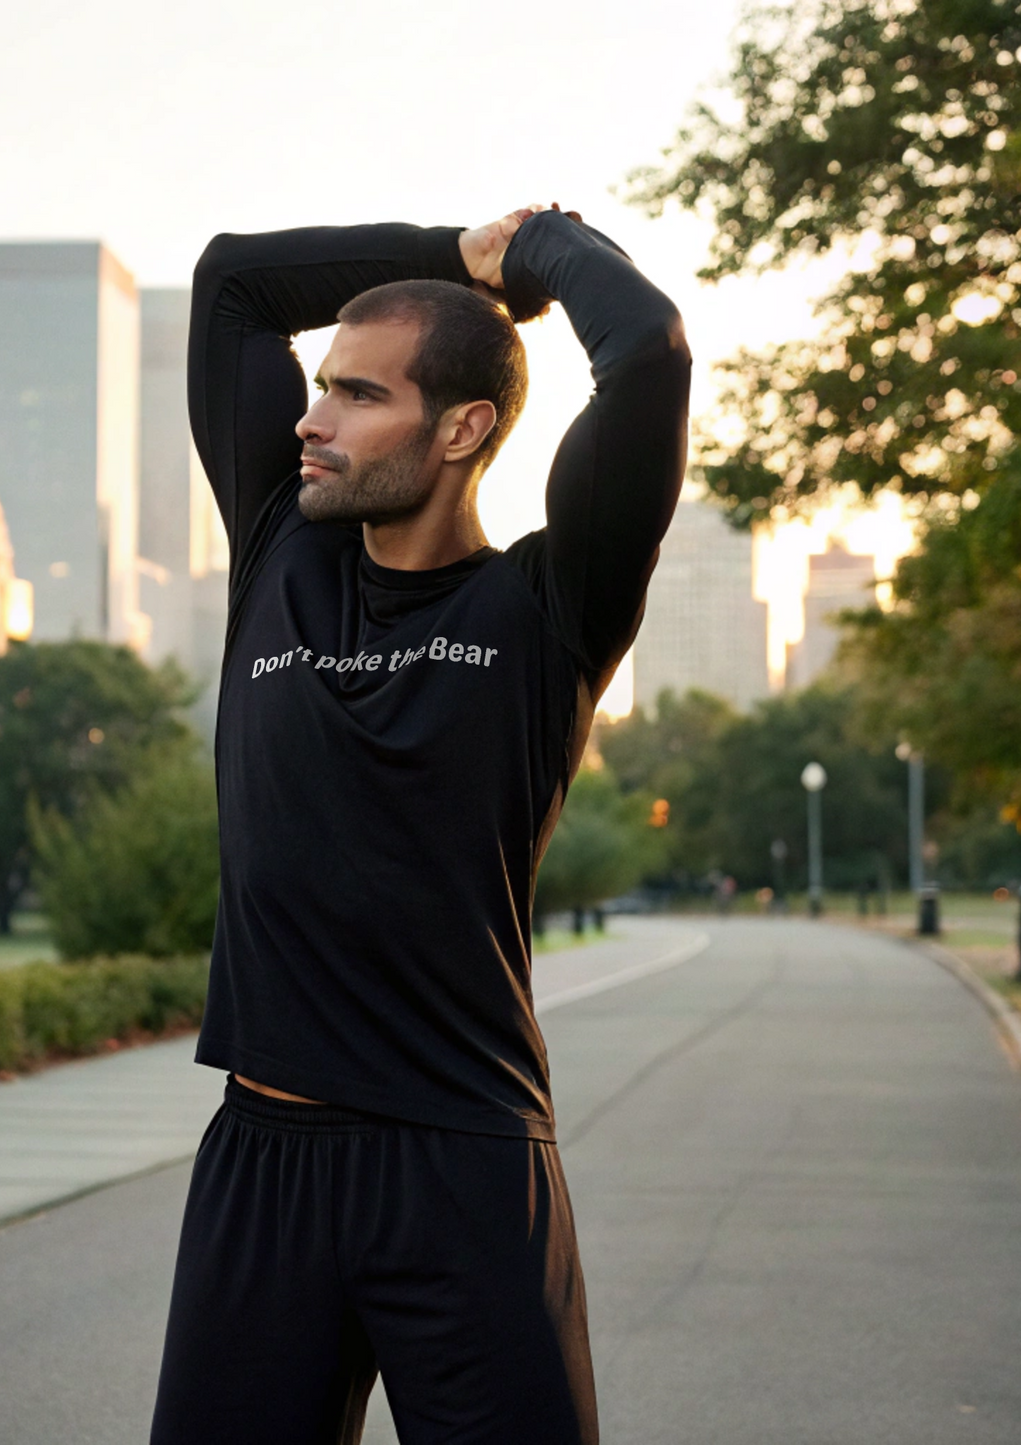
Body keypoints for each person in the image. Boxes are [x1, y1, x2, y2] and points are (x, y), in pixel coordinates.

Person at [149, 203, 690, 1445]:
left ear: (461, 429)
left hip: (461, 1165)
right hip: (261, 1157)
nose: (309, 417)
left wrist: (540, 246)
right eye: (318, 385)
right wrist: (458, 248)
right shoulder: (277, 552)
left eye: (355, 394)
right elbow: (231, 282)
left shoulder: (549, 604)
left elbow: (648, 350)